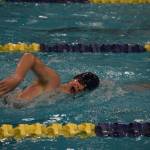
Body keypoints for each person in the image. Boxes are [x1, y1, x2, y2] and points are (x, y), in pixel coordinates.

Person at [0, 53, 100, 101]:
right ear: (75, 78)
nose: (81, 87)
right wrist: (16, 77)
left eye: (86, 87)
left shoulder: (63, 99)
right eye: (81, 81)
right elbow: (29, 57)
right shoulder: (53, 81)